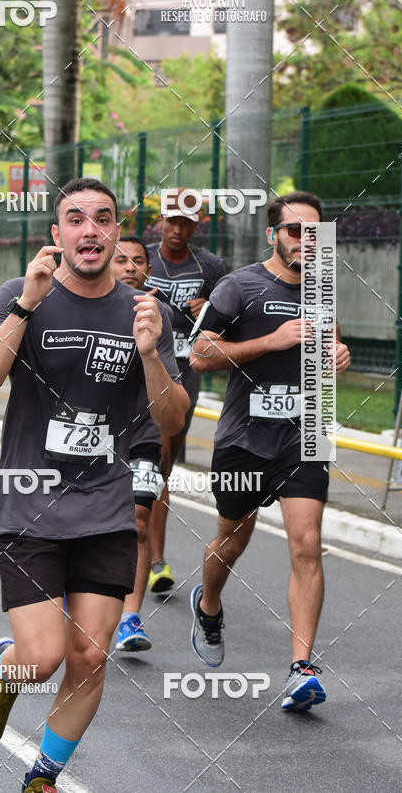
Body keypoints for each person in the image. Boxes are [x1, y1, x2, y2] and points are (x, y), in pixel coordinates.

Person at [0, 178, 188, 792]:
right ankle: (2, 670)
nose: (90, 229)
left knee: (90, 656)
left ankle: (43, 776)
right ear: (57, 234)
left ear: (116, 234)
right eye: (75, 218)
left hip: (107, 511)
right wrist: (23, 307)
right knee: (40, 660)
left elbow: (173, 421)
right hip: (30, 506)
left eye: (103, 218)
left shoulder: (146, 312)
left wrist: (148, 354)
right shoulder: (21, 293)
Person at [188, 191, 351, 712]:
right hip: (245, 439)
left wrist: (338, 357)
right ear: (272, 235)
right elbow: (200, 354)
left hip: (305, 435)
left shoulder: (324, 289)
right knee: (230, 543)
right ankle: (209, 604)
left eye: (314, 232)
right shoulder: (239, 286)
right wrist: (270, 341)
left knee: (307, 543)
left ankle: (301, 668)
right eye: (294, 231)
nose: (305, 241)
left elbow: (329, 351)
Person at [145, 202, 226, 593]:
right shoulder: (138, 257)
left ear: (197, 226)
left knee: (160, 468)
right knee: (141, 461)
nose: (178, 229)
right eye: (172, 220)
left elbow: (229, 322)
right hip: (140, 367)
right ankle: (147, 554)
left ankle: (152, 557)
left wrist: (207, 312)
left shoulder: (210, 267)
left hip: (184, 374)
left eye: (186, 223)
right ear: (160, 220)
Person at [110, 235, 164, 652]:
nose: (130, 267)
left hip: (143, 434)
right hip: (90, 440)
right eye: (121, 260)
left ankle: (130, 617)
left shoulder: (156, 313)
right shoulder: (80, 309)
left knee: (139, 521)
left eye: (138, 260)